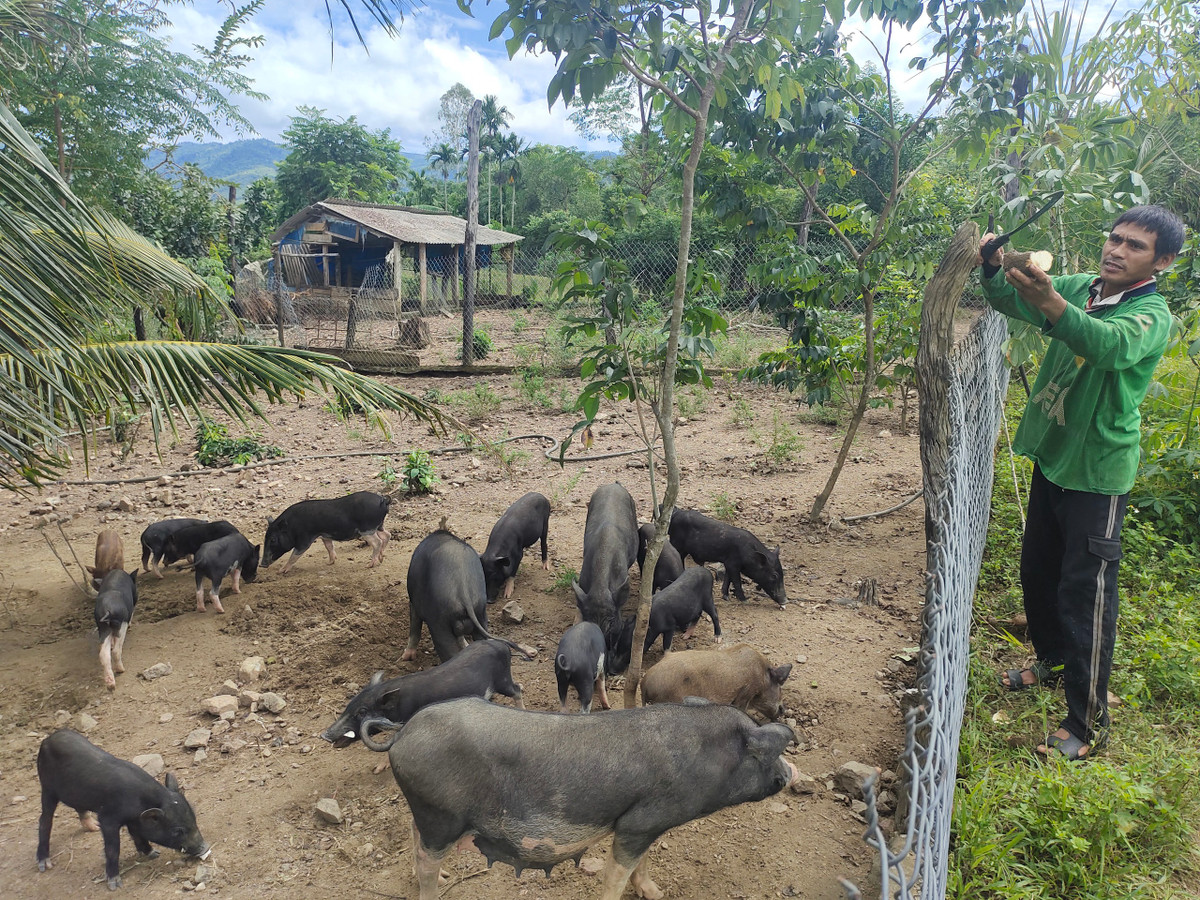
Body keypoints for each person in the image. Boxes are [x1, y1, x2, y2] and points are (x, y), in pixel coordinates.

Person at [976, 203, 1185, 762]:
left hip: (1097, 472)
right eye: (1115, 238)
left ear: (1162, 261)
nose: (1117, 250)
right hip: (1055, 456)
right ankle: (1050, 660)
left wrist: (1051, 301)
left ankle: (1087, 724)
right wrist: (994, 268)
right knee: (1039, 571)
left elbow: (1105, 345)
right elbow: (1010, 302)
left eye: (1135, 245)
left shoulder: (1151, 315)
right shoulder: (1083, 287)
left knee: (1085, 594)